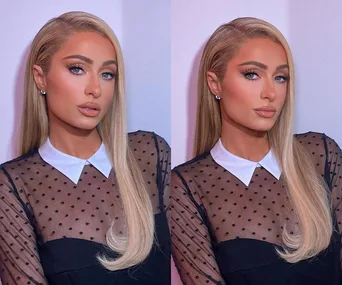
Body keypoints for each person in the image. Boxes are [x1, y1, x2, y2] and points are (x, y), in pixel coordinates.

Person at [0, 11, 170, 285]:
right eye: (77, 69)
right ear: (40, 77)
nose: (95, 89)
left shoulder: (149, 152)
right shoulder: (13, 186)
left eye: (107, 74)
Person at [171, 17, 342, 285]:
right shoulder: (186, 186)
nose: (270, 92)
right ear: (215, 83)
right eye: (252, 74)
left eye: (280, 77)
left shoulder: (320, 154)